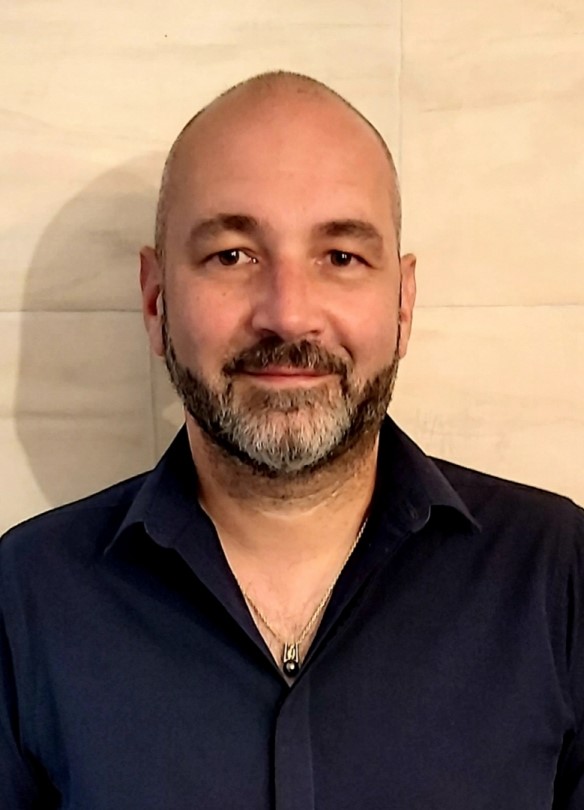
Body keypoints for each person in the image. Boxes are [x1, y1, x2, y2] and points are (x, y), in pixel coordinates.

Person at [0, 70, 582, 810]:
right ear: (155, 300)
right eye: (232, 255)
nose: (287, 313)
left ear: (403, 304)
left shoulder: (557, 574)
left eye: (340, 257)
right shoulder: (25, 598)